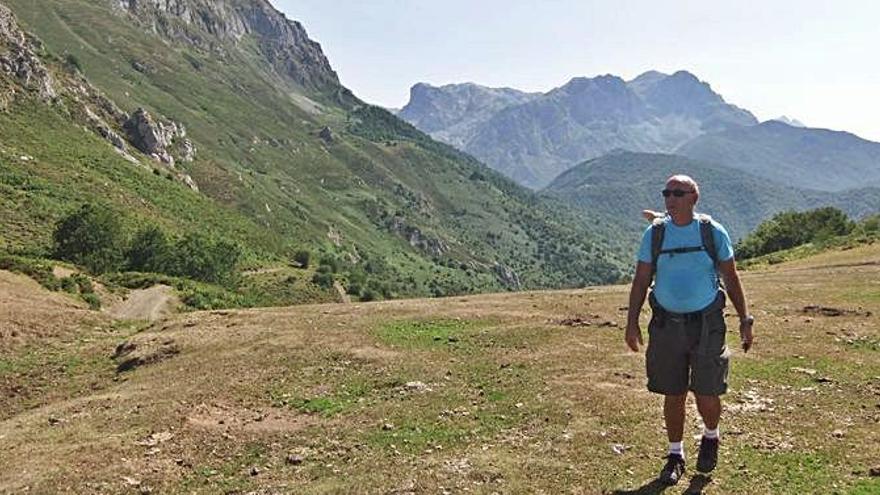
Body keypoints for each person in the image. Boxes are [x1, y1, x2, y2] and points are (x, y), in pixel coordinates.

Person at [625, 175, 754, 485]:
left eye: (678, 193)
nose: (670, 198)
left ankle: (711, 435)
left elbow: (732, 278)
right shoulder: (654, 235)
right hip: (667, 325)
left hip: (707, 324)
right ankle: (675, 454)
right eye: (667, 193)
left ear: (694, 197)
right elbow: (641, 280)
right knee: (673, 392)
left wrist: (745, 318)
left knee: (707, 391)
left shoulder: (712, 232)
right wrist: (631, 322)